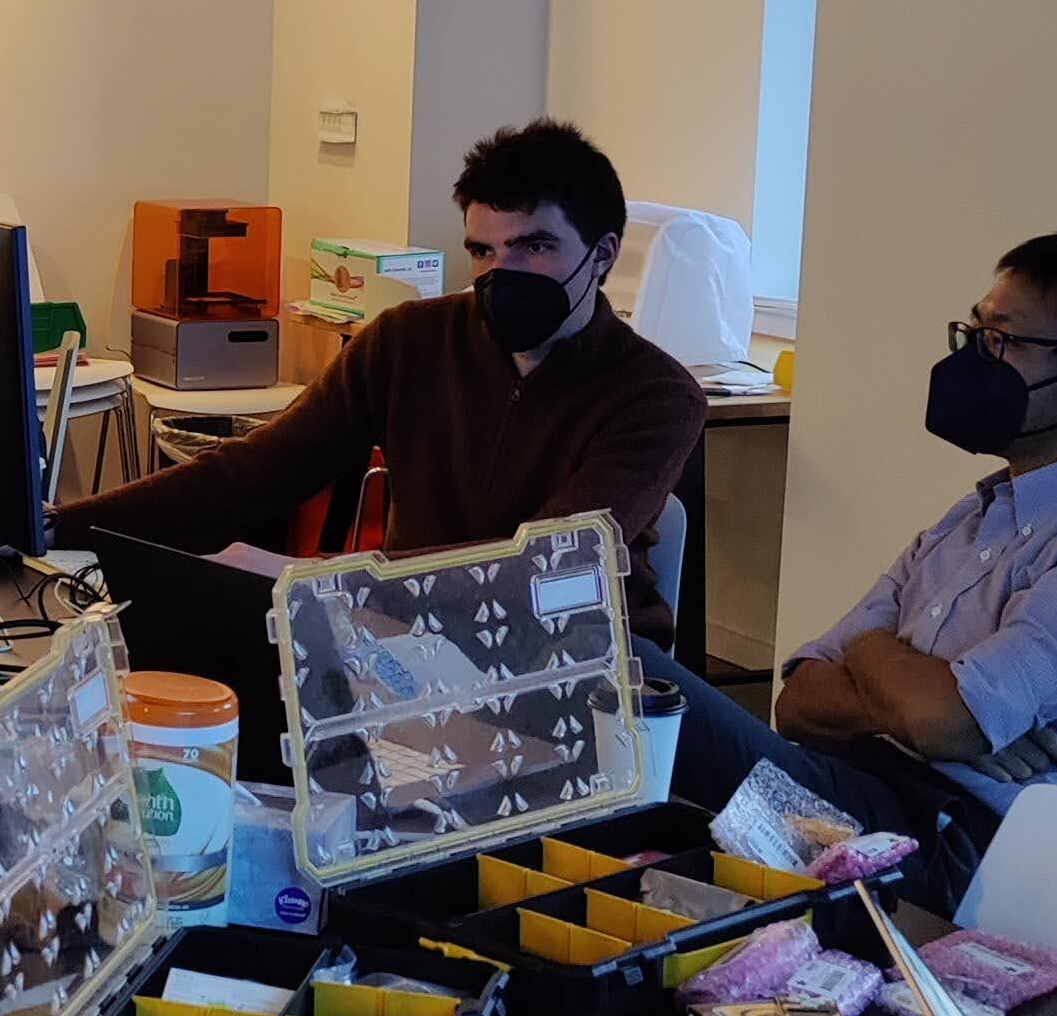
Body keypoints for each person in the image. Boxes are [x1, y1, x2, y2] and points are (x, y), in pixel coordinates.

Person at [657, 222, 1057, 907]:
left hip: (960, 857)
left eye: (1002, 341)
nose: (976, 360)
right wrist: (914, 703)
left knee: (631, 680)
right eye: (974, 333)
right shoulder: (974, 517)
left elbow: (942, 722)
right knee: (626, 804)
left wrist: (887, 672)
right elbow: (799, 699)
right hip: (846, 799)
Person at [61, 118, 706, 641]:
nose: (499, 272)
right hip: (407, 637)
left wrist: (310, 578)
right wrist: (53, 525)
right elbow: (257, 471)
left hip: (576, 667)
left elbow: (536, 569)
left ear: (602, 255)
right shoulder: (410, 341)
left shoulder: (655, 396)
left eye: (534, 247)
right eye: (482, 249)